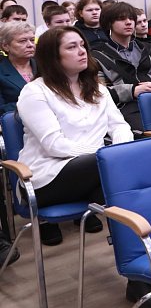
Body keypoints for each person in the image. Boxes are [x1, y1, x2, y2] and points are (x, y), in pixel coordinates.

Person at [17, 27, 133, 245]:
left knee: (122, 190)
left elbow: (119, 126)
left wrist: (119, 151)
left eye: (82, 45)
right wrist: (109, 155)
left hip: (97, 170)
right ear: (53, 56)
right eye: (72, 47)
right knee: (122, 178)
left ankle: (133, 256)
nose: (82, 51)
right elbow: (55, 145)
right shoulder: (34, 92)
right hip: (47, 177)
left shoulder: (98, 89)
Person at [92, 2, 151, 132]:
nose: (128, 22)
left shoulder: (150, 49)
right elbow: (98, 92)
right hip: (123, 108)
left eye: (131, 19)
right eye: (121, 19)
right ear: (109, 24)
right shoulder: (97, 56)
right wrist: (131, 91)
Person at [0, 21, 37, 113]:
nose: (30, 45)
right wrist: (33, 102)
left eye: (32, 40)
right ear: (5, 46)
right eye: (22, 41)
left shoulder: (45, 66)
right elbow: (1, 109)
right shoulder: (1, 72)